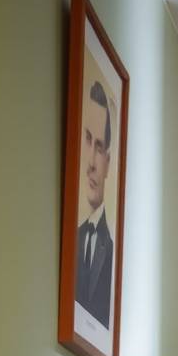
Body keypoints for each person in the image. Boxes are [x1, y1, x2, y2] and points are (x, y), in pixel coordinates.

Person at [75, 80, 114, 329]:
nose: (90, 161)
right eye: (87, 139)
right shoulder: (74, 238)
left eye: (98, 147)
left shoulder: (109, 245)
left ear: (108, 163)